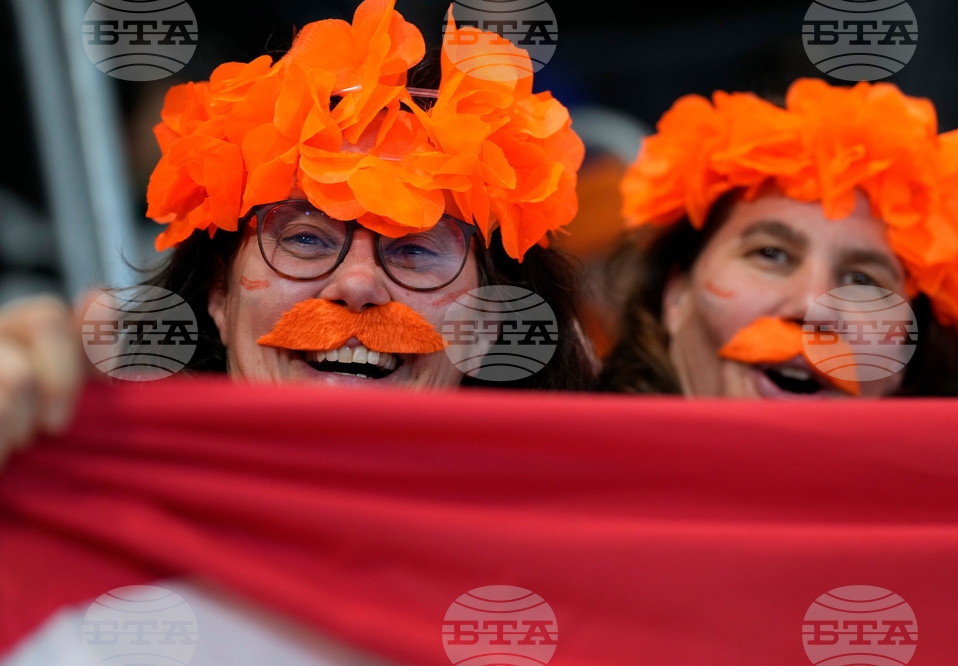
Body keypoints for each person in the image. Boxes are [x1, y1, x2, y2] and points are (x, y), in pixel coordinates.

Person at [0, 0, 595, 459]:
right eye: (306, 239)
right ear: (218, 297)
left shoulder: (582, 548)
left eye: (414, 249)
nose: (358, 286)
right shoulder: (90, 508)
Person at [598, 78, 958, 397]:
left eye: (864, 281)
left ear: (905, 362)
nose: (814, 307)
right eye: (770, 254)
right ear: (676, 294)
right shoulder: (565, 483)